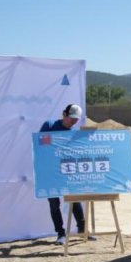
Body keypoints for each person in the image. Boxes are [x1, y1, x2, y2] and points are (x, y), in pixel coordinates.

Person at [40, 104, 94, 244]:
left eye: (76, 119)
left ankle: (82, 230)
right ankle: (60, 234)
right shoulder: (49, 125)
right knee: (54, 203)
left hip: (67, 172)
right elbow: (40, 145)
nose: (73, 121)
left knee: (75, 199)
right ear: (64, 114)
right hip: (50, 172)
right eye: (71, 118)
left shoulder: (74, 133)